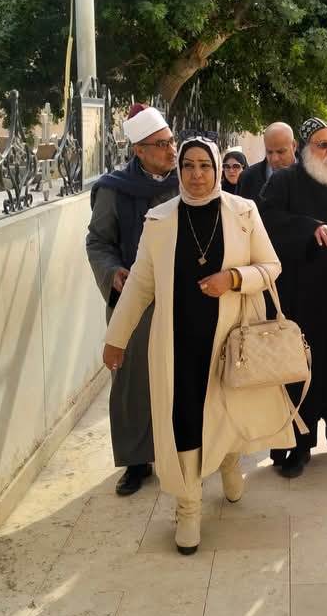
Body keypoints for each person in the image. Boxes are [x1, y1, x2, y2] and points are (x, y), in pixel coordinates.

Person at [102, 138, 297, 554]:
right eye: (188, 165)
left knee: (226, 409)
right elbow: (139, 285)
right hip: (178, 342)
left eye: (205, 166)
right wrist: (116, 339)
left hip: (230, 338)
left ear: (217, 169)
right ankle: (189, 507)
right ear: (179, 170)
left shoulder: (243, 212)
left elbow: (272, 266)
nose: (196, 174)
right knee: (183, 419)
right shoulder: (159, 220)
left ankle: (228, 459)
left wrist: (234, 279)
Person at [259, 117, 327, 478]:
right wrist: (310, 228)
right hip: (302, 299)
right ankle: (300, 445)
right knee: (301, 374)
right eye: (322, 144)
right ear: (305, 150)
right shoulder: (285, 183)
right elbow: (267, 222)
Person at [86, 104, 178, 497]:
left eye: (171, 141)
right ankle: (137, 462)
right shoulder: (114, 189)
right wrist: (112, 273)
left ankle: (184, 451)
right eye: (161, 145)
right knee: (131, 382)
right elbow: (98, 242)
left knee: (182, 377)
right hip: (134, 299)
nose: (171, 150)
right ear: (139, 150)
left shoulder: (189, 179)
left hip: (183, 295)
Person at [235, 122, 296, 200]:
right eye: (269, 152)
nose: (274, 159)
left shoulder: (309, 176)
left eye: (281, 152)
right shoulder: (247, 178)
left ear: (294, 146)